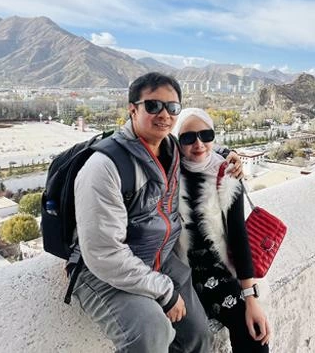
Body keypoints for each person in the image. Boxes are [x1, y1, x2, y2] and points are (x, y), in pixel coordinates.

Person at [71, 73, 242, 353]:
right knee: (150, 334)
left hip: (158, 257)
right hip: (104, 270)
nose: (164, 114)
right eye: (153, 106)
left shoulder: (171, 148)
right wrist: (165, 291)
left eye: (172, 108)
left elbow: (197, 145)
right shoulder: (104, 166)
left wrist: (228, 153)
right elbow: (103, 253)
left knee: (198, 338)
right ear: (132, 109)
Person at [172, 108, 271, 352]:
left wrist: (251, 297)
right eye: (188, 137)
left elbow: (238, 235)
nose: (198, 144)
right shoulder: (167, 171)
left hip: (216, 270)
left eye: (206, 135)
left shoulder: (227, 173)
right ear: (176, 140)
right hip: (177, 272)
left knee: (254, 334)